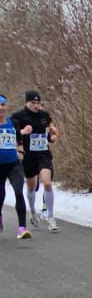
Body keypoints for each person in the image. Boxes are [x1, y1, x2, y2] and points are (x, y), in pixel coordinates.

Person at [12, 89, 58, 230]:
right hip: (28, 156)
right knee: (31, 187)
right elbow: (13, 134)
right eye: (33, 103)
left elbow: (47, 130)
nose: (36, 106)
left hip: (43, 154)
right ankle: (32, 212)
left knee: (47, 183)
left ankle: (51, 217)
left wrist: (52, 136)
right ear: (27, 102)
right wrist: (23, 132)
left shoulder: (44, 115)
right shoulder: (18, 116)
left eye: (38, 103)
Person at [0, 95, 29, 238]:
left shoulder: (13, 122)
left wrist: (21, 152)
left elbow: (18, 140)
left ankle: (22, 228)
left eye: (3, 104)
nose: (1, 107)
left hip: (13, 164)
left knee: (19, 192)